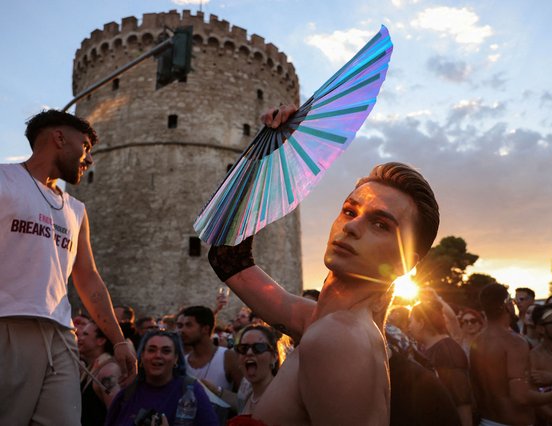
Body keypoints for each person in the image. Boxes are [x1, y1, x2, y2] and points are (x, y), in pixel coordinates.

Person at [208, 145, 440, 424]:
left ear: (404, 263)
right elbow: (228, 258)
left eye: (380, 225)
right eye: (350, 211)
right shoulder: (323, 321)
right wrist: (271, 149)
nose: (351, 227)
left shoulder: (337, 337)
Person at [0, 109, 137, 425]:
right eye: (85, 146)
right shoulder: (5, 180)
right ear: (59, 138)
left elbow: (89, 279)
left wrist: (117, 340)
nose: (88, 159)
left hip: (61, 336)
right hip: (8, 324)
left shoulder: (76, 210)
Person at [470, 284, 552, 426]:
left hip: (487, 420)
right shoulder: (513, 341)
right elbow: (520, 396)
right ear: (506, 305)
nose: (515, 304)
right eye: (512, 301)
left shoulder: (476, 342)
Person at [106, 330, 218, 426]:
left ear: (175, 359)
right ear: (142, 356)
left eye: (166, 351)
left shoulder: (191, 391)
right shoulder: (129, 392)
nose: (158, 355)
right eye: (151, 350)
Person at [409, 295, 472, 426]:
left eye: (411, 321)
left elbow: (463, 403)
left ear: (421, 323)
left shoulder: (447, 352)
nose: (409, 326)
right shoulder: (428, 348)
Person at [177, 305, 242, 423]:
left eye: (189, 325)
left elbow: (244, 399)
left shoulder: (227, 357)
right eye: (181, 326)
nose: (182, 330)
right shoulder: (183, 362)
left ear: (205, 329)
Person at [77, 321, 122, 426]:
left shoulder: (108, 371)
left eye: (85, 334)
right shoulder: (90, 367)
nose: (79, 338)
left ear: (101, 341)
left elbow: (115, 414)